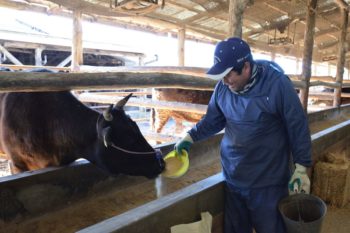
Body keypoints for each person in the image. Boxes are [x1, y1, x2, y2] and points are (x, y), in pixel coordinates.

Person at [175, 37, 312, 233]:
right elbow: (213, 120)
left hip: (268, 182)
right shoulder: (223, 88)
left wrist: (302, 166)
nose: (224, 81)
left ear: (246, 67)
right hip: (234, 177)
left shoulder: (276, 84)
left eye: (228, 74)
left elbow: (296, 125)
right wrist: (190, 137)